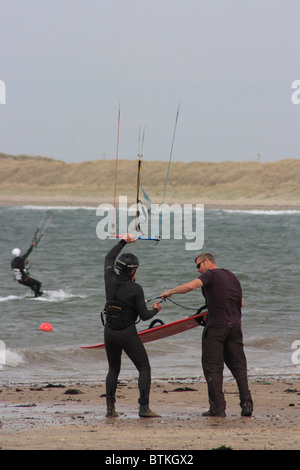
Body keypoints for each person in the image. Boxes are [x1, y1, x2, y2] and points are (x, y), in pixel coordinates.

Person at [161, 252, 253, 417]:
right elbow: (241, 302)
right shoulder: (232, 277)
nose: (198, 270)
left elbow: (191, 286)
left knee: (213, 367)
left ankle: (218, 409)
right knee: (239, 366)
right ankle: (246, 405)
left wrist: (170, 292)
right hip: (235, 327)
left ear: (208, 261)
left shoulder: (211, 274)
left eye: (198, 265)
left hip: (217, 328)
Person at [103, 233, 162, 418]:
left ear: (119, 268)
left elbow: (108, 258)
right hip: (127, 333)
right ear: (133, 271)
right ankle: (144, 408)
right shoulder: (136, 289)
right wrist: (156, 310)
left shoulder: (109, 278)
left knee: (113, 369)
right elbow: (144, 316)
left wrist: (123, 241)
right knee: (144, 368)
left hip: (109, 332)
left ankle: (110, 409)